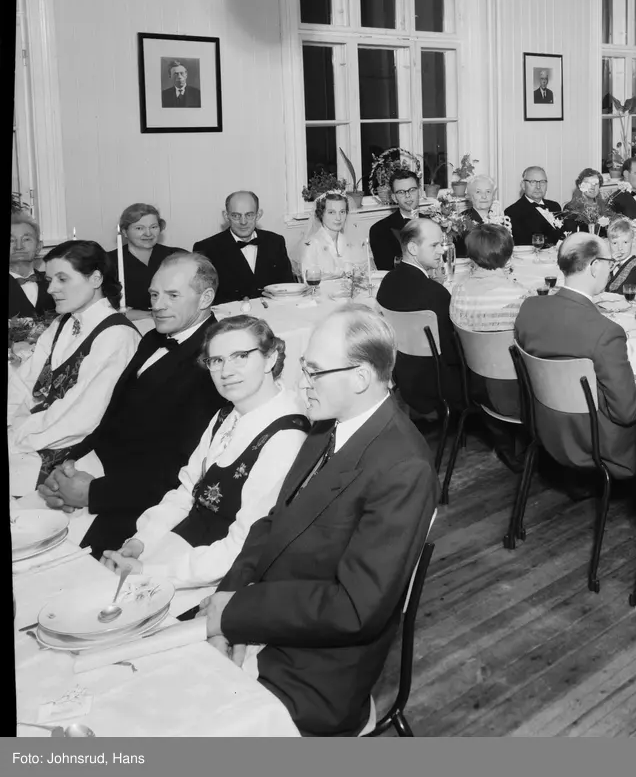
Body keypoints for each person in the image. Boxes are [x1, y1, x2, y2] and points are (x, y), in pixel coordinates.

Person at [199, 306, 438, 737]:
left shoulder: (403, 467)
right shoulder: (325, 427)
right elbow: (271, 525)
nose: (300, 383)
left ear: (360, 377)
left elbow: (354, 609)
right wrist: (227, 598)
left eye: (313, 371)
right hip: (274, 619)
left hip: (320, 668)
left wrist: (236, 614)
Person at [36, 253, 227, 555]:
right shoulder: (152, 337)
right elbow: (112, 418)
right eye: (154, 294)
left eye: (173, 295)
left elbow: (185, 472)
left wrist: (92, 494)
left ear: (205, 298)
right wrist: (64, 467)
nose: (158, 304)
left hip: (139, 502)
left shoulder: (215, 363)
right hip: (99, 472)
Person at [99, 317, 309, 588]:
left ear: (271, 359)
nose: (226, 371)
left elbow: (244, 546)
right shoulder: (226, 415)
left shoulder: (286, 438)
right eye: (217, 360)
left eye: (240, 356)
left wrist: (150, 572)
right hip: (185, 550)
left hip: (227, 575)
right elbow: (187, 490)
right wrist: (142, 541)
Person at [8, 241, 140, 497]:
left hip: (77, 452)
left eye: (62, 279)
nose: (52, 288)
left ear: (95, 278)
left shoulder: (116, 336)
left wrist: (20, 436)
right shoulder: (62, 323)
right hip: (34, 437)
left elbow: (84, 416)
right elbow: (24, 382)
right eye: (49, 279)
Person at [514, 233, 636, 478]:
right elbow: (626, 413)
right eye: (610, 263)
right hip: (593, 440)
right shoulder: (606, 332)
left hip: (541, 423)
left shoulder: (530, 307)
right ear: (594, 267)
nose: (610, 268)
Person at [376, 218, 464, 410]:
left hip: (403, 376)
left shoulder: (388, 282)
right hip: (438, 384)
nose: (442, 250)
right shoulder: (434, 294)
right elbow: (453, 351)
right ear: (413, 249)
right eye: (434, 245)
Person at [193, 191, 294, 304]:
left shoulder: (275, 242)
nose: (243, 222)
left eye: (249, 215)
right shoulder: (206, 248)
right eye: (236, 215)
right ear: (226, 216)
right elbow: (202, 298)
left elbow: (289, 286)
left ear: (258, 215)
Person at [450, 224, 527, 333]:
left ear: (471, 255)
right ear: (509, 254)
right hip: (508, 349)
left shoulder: (458, 291)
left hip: (470, 349)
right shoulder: (522, 295)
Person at [108, 203, 184, 311]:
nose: (148, 233)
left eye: (153, 227)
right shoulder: (108, 261)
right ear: (125, 232)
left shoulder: (177, 256)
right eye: (139, 228)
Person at [299, 191, 368, 277]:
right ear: (321, 214)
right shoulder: (312, 244)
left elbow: (364, 273)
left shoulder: (352, 242)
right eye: (332, 212)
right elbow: (309, 281)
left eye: (342, 212)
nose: (338, 218)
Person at [368, 167, 421, 270]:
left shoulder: (433, 222)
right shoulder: (379, 230)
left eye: (412, 190)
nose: (408, 196)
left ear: (420, 192)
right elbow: (386, 268)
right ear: (393, 197)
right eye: (401, 192)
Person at [9, 213, 55, 318]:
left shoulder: (54, 282)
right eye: (11, 240)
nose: (19, 247)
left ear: (39, 246)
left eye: (26, 239)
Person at [505, 166, 564, 246]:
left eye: (542, 182)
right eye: (533, 182)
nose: (538, 187)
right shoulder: (512, 212)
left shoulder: (555, 206)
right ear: (523, 185)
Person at [562, 168, 615, 236]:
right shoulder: (570, 209)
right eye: (588, 183)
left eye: (596, 184)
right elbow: (573, 236)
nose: (592, 187)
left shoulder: (606, 207)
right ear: (579, 185)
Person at [604, 217, 636, 294]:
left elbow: (621, 294)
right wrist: (606, 271)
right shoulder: (606, 265)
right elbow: (593, 289)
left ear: (632, 242)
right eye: (614, 243)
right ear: (608, 244)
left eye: (625, 242)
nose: (620, 248)